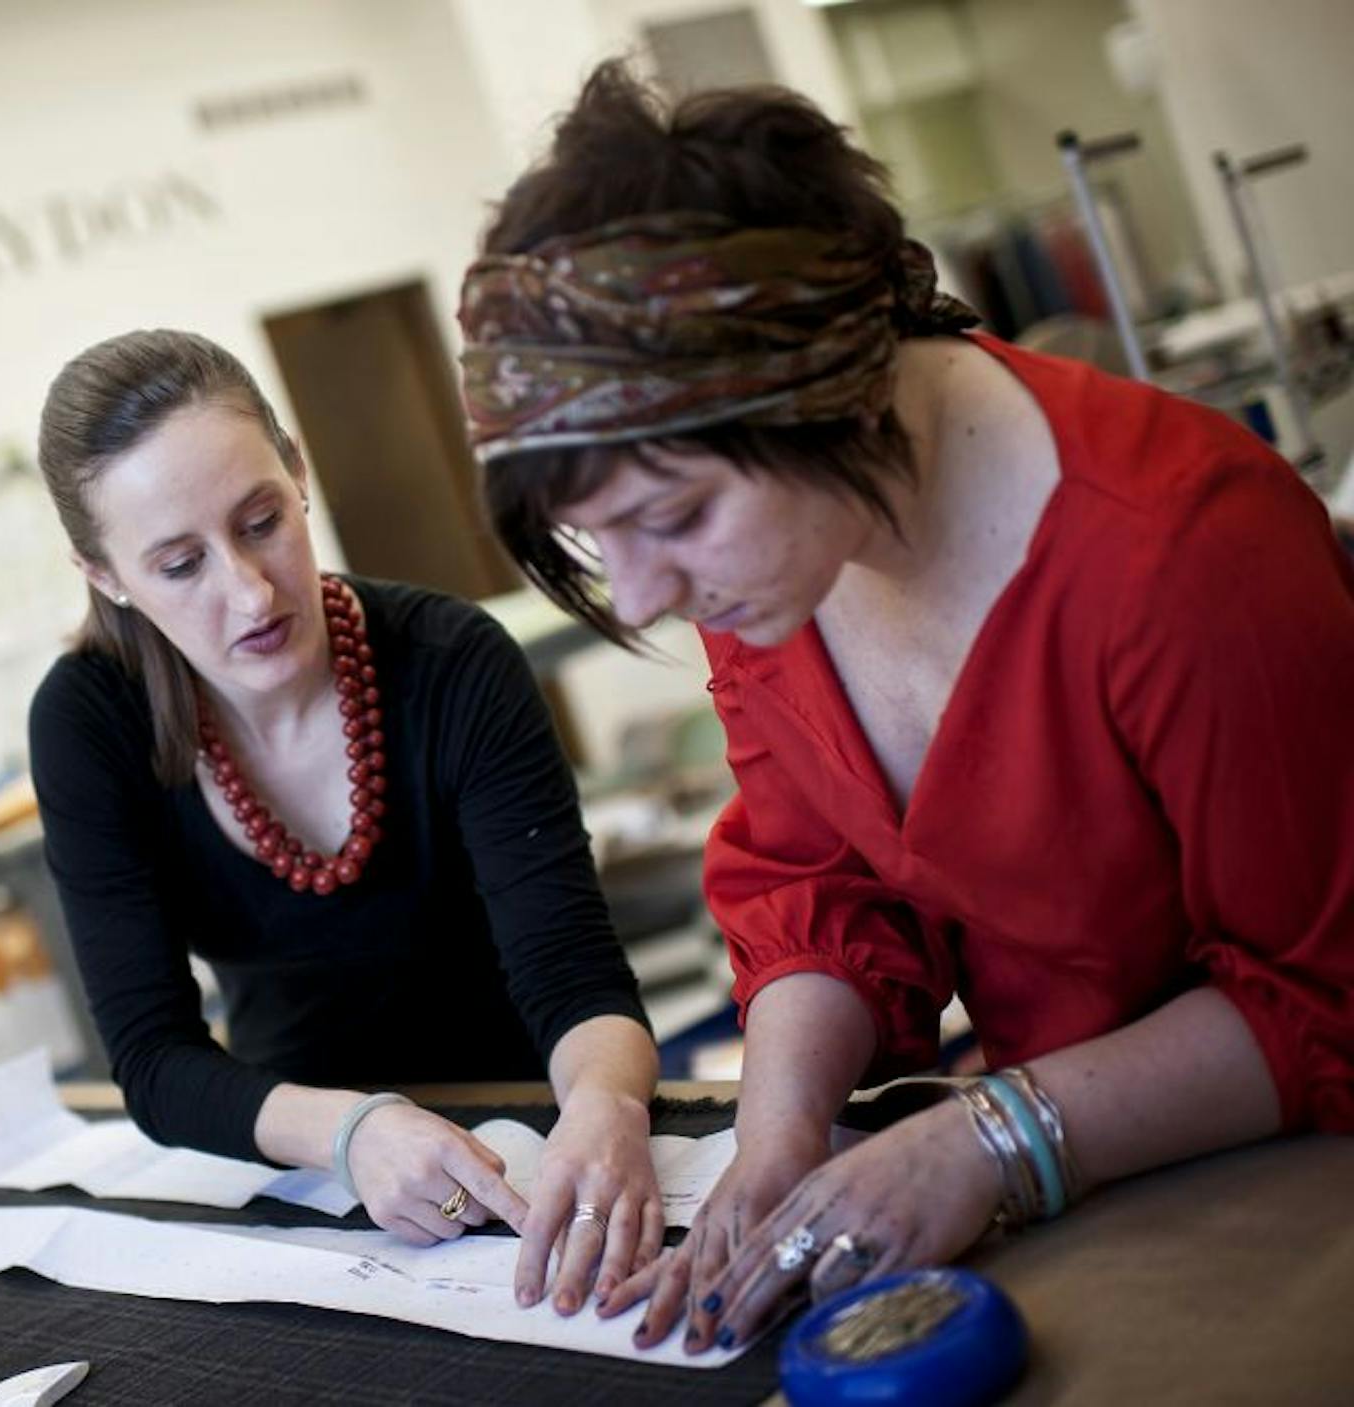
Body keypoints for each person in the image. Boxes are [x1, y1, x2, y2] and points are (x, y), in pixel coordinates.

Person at [456, 65, 1354, 1354]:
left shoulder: (1186, 554)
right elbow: (821, 884)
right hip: (1092, 1194)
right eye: (605, 542)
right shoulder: (777, 558)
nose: (651, 594)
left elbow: (1327, 995)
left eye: (673, 520)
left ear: (830, 392)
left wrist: (995, 1137)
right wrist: (778, 1137)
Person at [28, 328, 663, 1314]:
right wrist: (353, 1133)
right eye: (180, 563)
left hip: (535, 1126)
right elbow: (153, 1061)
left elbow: (574, 976)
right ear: (104, 574)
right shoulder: (89, 723)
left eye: (260, 521)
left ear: (299, 472)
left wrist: (608, 1104)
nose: (248, 590)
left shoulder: (455, 663)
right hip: (299, 1153)